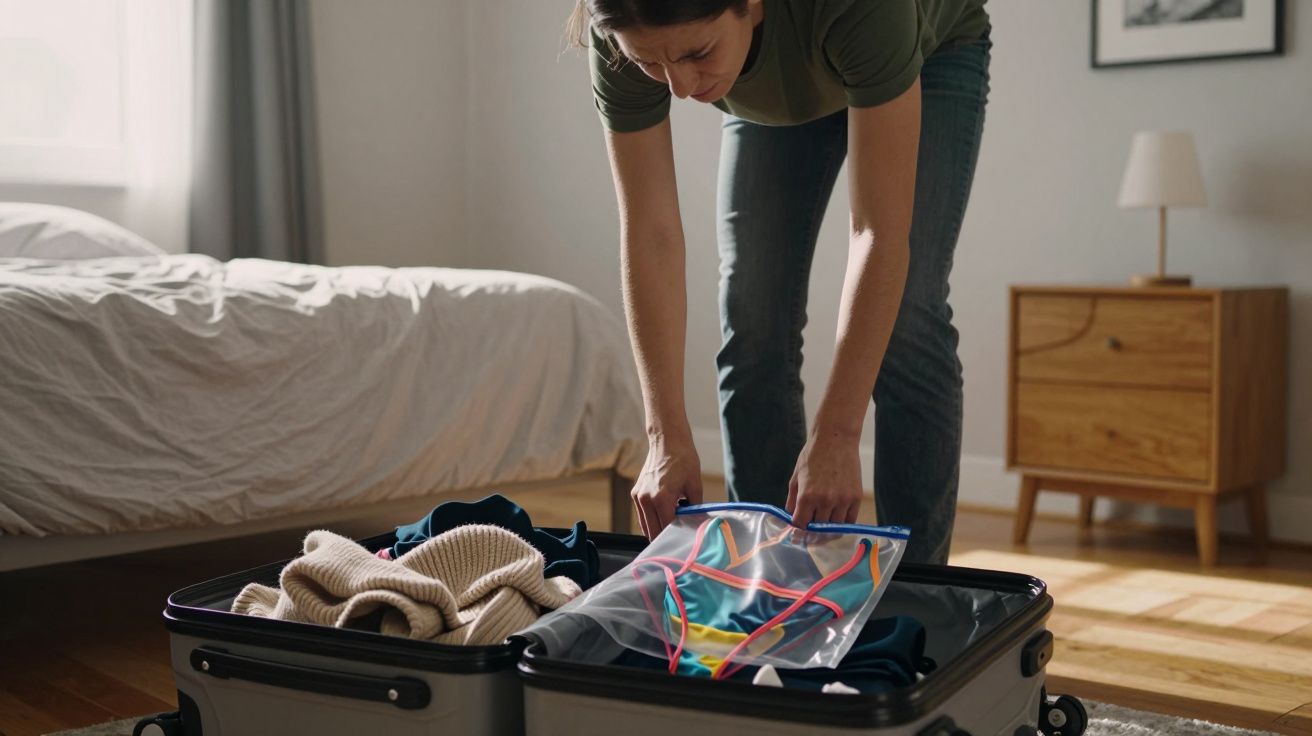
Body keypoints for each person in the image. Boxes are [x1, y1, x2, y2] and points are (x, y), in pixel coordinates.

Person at [569, 0, 990, 564]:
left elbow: (877, 235)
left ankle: (917, 595)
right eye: (651, 64)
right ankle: (768, 584)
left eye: (697, 53)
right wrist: (664, 437)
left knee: (909, 314)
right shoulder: (622, 31)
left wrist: (838, 435)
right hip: (777, 76)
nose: (681, 86)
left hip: (927, 51)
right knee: (752, 317)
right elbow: (652, 234)